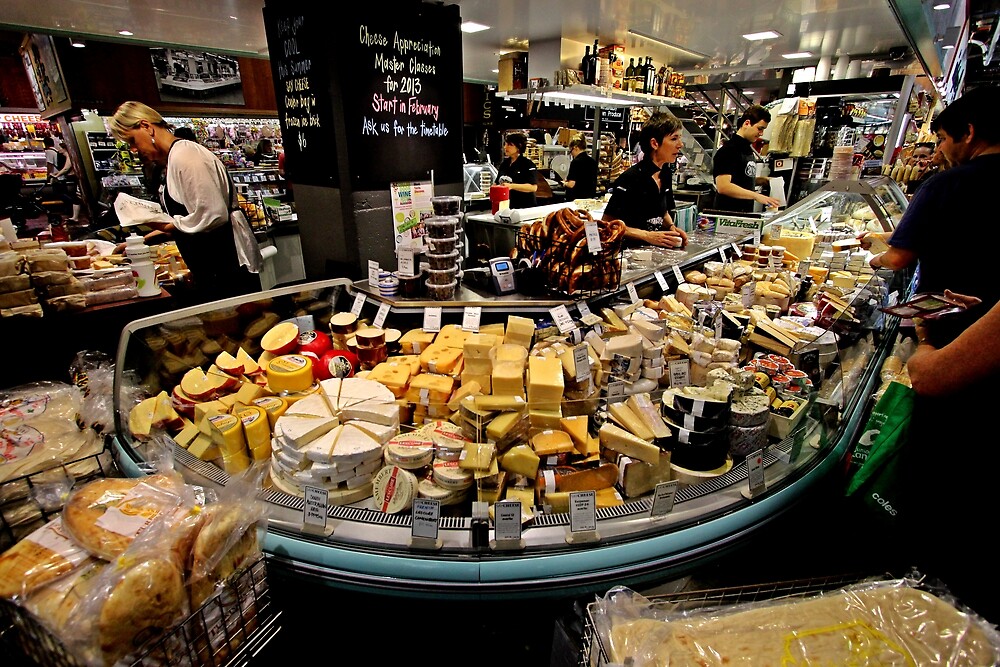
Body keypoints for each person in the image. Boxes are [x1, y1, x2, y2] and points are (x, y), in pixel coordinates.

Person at [862, 86, 1000, 623]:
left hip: (951, 348)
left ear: (969, 132)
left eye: (942, 137)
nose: (939, 148)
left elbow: (898, 257)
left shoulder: (949, 184)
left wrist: (924, 349)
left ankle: (924, 599)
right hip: (981, 357)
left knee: (940, 475)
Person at [109, 101, 261, 304]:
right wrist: (144, 240)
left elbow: (212, 215)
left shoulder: (186, 156)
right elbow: (190, 219)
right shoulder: (174, 158)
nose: (134, 149)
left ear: (146, 126)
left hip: (225, 264)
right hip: (211, 267)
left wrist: (160, 224)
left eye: (132, 141)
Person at [602, 111, 688, 249]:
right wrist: (647, 235)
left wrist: (672, 227)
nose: (680, 145)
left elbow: (662, 211)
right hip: (629, 253)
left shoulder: (665, 173)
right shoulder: (631, 178)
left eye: (680, 138)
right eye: (674, 139)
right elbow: (608, 223)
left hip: (655, 251)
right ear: (654, 143)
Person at [711, 105, 781, 213]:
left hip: (744, 213)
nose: (761, 133)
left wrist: (762, 180)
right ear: (747, 123)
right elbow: (723, 186)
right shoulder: (728, 150)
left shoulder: (747, 149)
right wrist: (756, 196)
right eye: (760, 128)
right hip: (728, 215)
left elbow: (740, 180)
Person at [43, 137, 82, 222]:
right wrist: (56, 174)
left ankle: (75, 217)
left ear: (64, 149)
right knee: (76, 197)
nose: (58, 150)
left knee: (75, 197)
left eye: (60, 148)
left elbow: (66, 169)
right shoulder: (68, 156)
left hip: (77, 179)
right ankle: (75, 217)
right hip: (73, 178)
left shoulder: (69, 157)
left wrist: (56, 175)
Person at [495, 131, 537, 209]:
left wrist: (511, 186)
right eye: (505, 144)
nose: (505, 147)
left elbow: (533, 187)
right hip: (506, 206)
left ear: (519, 146)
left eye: (510, 145)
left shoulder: (527, 164)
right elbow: (497, 182)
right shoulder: (504, 164)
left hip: (524, 207)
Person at [563, 135, 598, 200]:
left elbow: (571, 184)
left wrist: (564, 183)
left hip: (576, 199)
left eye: (571, 151)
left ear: (576, 147)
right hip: (589, 198)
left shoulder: (575, 162)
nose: (571, 154)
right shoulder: (593, 161)